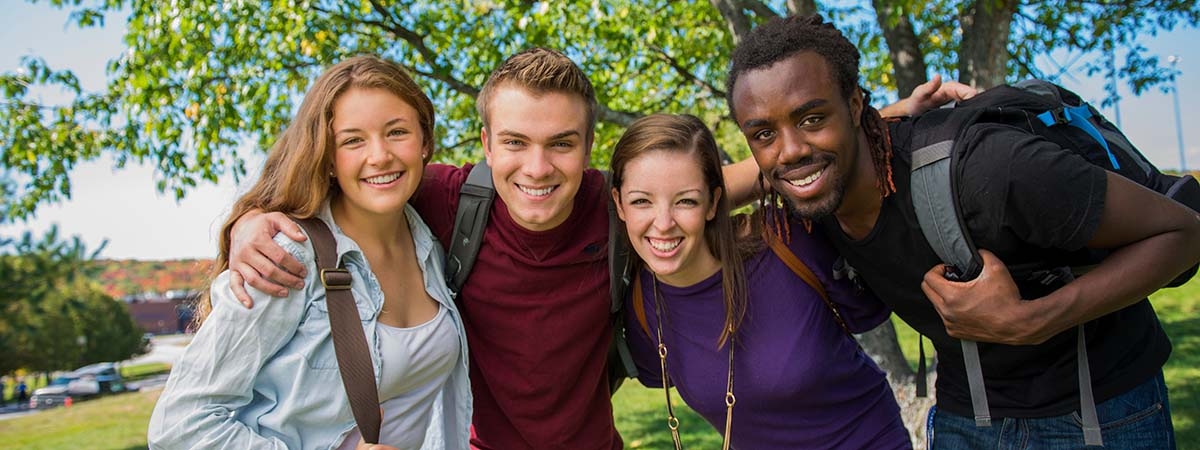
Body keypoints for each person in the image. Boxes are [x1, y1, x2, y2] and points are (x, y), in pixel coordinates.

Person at [226, 47, 972, 450]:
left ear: (591, 153)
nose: (538, 168)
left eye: (563, 145)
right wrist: (247, 224)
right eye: (514, 143)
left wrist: (881, 118)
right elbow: (340, 178)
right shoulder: (445, 197)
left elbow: (711, 182)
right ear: (482, 145)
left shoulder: (619, 206)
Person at [726, 14, 1200, 449]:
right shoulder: (808, 188)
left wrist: (1036, 319)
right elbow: (698, 193)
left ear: (853, 106)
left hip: (1101, 410)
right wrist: (891, 110)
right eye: (763, 133)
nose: (789, 151)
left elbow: (1183, 233)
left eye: (812, 118)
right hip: (965, 417)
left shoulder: (990, 169)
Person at [147, 55, 471, 450]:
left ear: (425, 142)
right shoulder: (284, 256)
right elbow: (178, 425)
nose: (380, 155)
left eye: (397, 132)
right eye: (353, 140)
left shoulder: (432, 242)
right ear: (329, 159)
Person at [611, 113, 911, 449]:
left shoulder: (787, 240)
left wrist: (885, 115)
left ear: (713, 203)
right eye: (641, 201)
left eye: (686, 201)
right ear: (618, 204)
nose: (663, 223)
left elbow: (821, 155)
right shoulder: (640, 302)